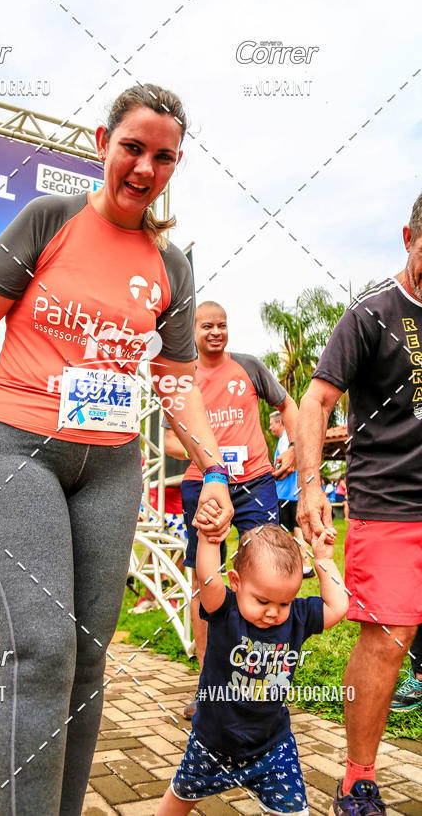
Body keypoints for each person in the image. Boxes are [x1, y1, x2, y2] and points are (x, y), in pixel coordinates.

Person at [0, 84, 234, 816]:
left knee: (86, 666)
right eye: (132, 148)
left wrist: (214, 470)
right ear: (102, 142)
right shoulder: (51, 219)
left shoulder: (170, 265)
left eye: (164, 156)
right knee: (43, 654)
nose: (145, 168)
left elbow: (176, 382)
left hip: (109, 469)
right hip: (14, 451)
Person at [296, 193, 422, 815]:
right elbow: (317, 401)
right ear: (408, 237)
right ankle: (357, 779)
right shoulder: (373, 312)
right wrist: (311, 485)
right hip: (390, 504)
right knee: (387, 639)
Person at [156, 523, 348, 815]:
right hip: (212, 743)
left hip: (273, 746)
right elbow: (207, 578)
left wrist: (323, 560)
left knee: (294, 809)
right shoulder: (225, 610)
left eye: (284, 602)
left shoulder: (296, 618)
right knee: (181, 795)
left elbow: (338, 607)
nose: (273, 612)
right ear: (235, 582)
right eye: (262, 600)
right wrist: (209, 538)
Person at [164, 302, 298, 717]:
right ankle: (209, 686)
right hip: (204, 484)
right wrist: (211, 458)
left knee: (269, 570)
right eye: (207, 326)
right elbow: (169, 440)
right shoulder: (183, 376)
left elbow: (288, 406)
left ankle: (265, 680)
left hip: (256, 482)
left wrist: (294, 446)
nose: (216, 332)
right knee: (205, 579)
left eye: (222, 325)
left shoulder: (249, 366)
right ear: (193, 331)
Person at [269, 411, 313, 579]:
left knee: (285, 532)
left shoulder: (285, 440)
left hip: (285, 493)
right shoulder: (288, 440)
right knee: (296, 530)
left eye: (272, 424)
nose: (270, 427)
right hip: (292, 493)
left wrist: (271, 475)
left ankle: (296, 566)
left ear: (280, 423)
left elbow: (286, 466)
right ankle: (304, 566)